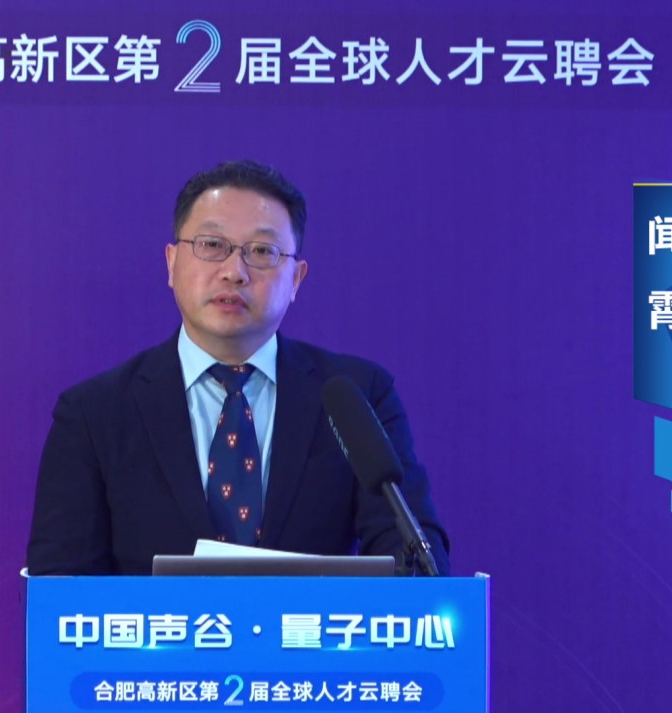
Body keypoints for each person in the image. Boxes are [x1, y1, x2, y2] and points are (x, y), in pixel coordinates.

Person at [26, 160, 449, 575]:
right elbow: (59, 586)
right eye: (212, 245)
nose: (234, 272)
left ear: (296, 279)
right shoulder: (94, 414)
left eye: (262, 251)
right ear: (172, 263)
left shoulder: (357, 396)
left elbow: (414, 557)